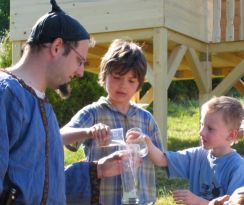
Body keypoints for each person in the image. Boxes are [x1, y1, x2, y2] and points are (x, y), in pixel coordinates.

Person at [0, 1, 135, 204]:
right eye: (80, 60)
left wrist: (98, 169)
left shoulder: (43, 106)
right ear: (57, 47)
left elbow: (42, 185)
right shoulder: (6, 95)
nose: (81, 72)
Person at [61, 38, 164, 205]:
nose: (123, 85)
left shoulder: (146, 119)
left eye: (131, 81)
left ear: (139, 85)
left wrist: (146, 143)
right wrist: (89, 131)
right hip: (102, 200)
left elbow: (161, 159)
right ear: (104, 75)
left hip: (142, 201)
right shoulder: (93, 113)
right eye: (117, 77)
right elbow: (60, 136)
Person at [127, 96, 244, 205]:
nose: (201, 132)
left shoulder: (238, 167)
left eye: (210, 128)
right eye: (201, 124)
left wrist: (196, 201)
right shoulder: (196, 155)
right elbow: (162, 160)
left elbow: (234, 203)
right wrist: (146, 141)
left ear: (231, 135)